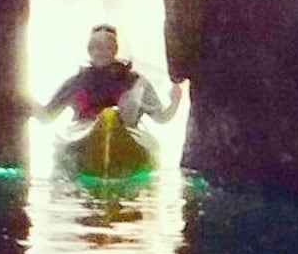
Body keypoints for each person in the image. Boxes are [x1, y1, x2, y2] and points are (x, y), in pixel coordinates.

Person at [31, 24, 185, 177]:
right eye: (97, 47)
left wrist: (175, 102)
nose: (102, 52)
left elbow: (161, 118)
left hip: (128, 131)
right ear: (89, 50)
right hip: (83, 129)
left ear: (115, 51)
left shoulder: (135, 81)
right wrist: (26, 100)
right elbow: (46, 117)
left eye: (108, 48)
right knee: (106, 117)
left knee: (111, 116)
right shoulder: (76, 82)